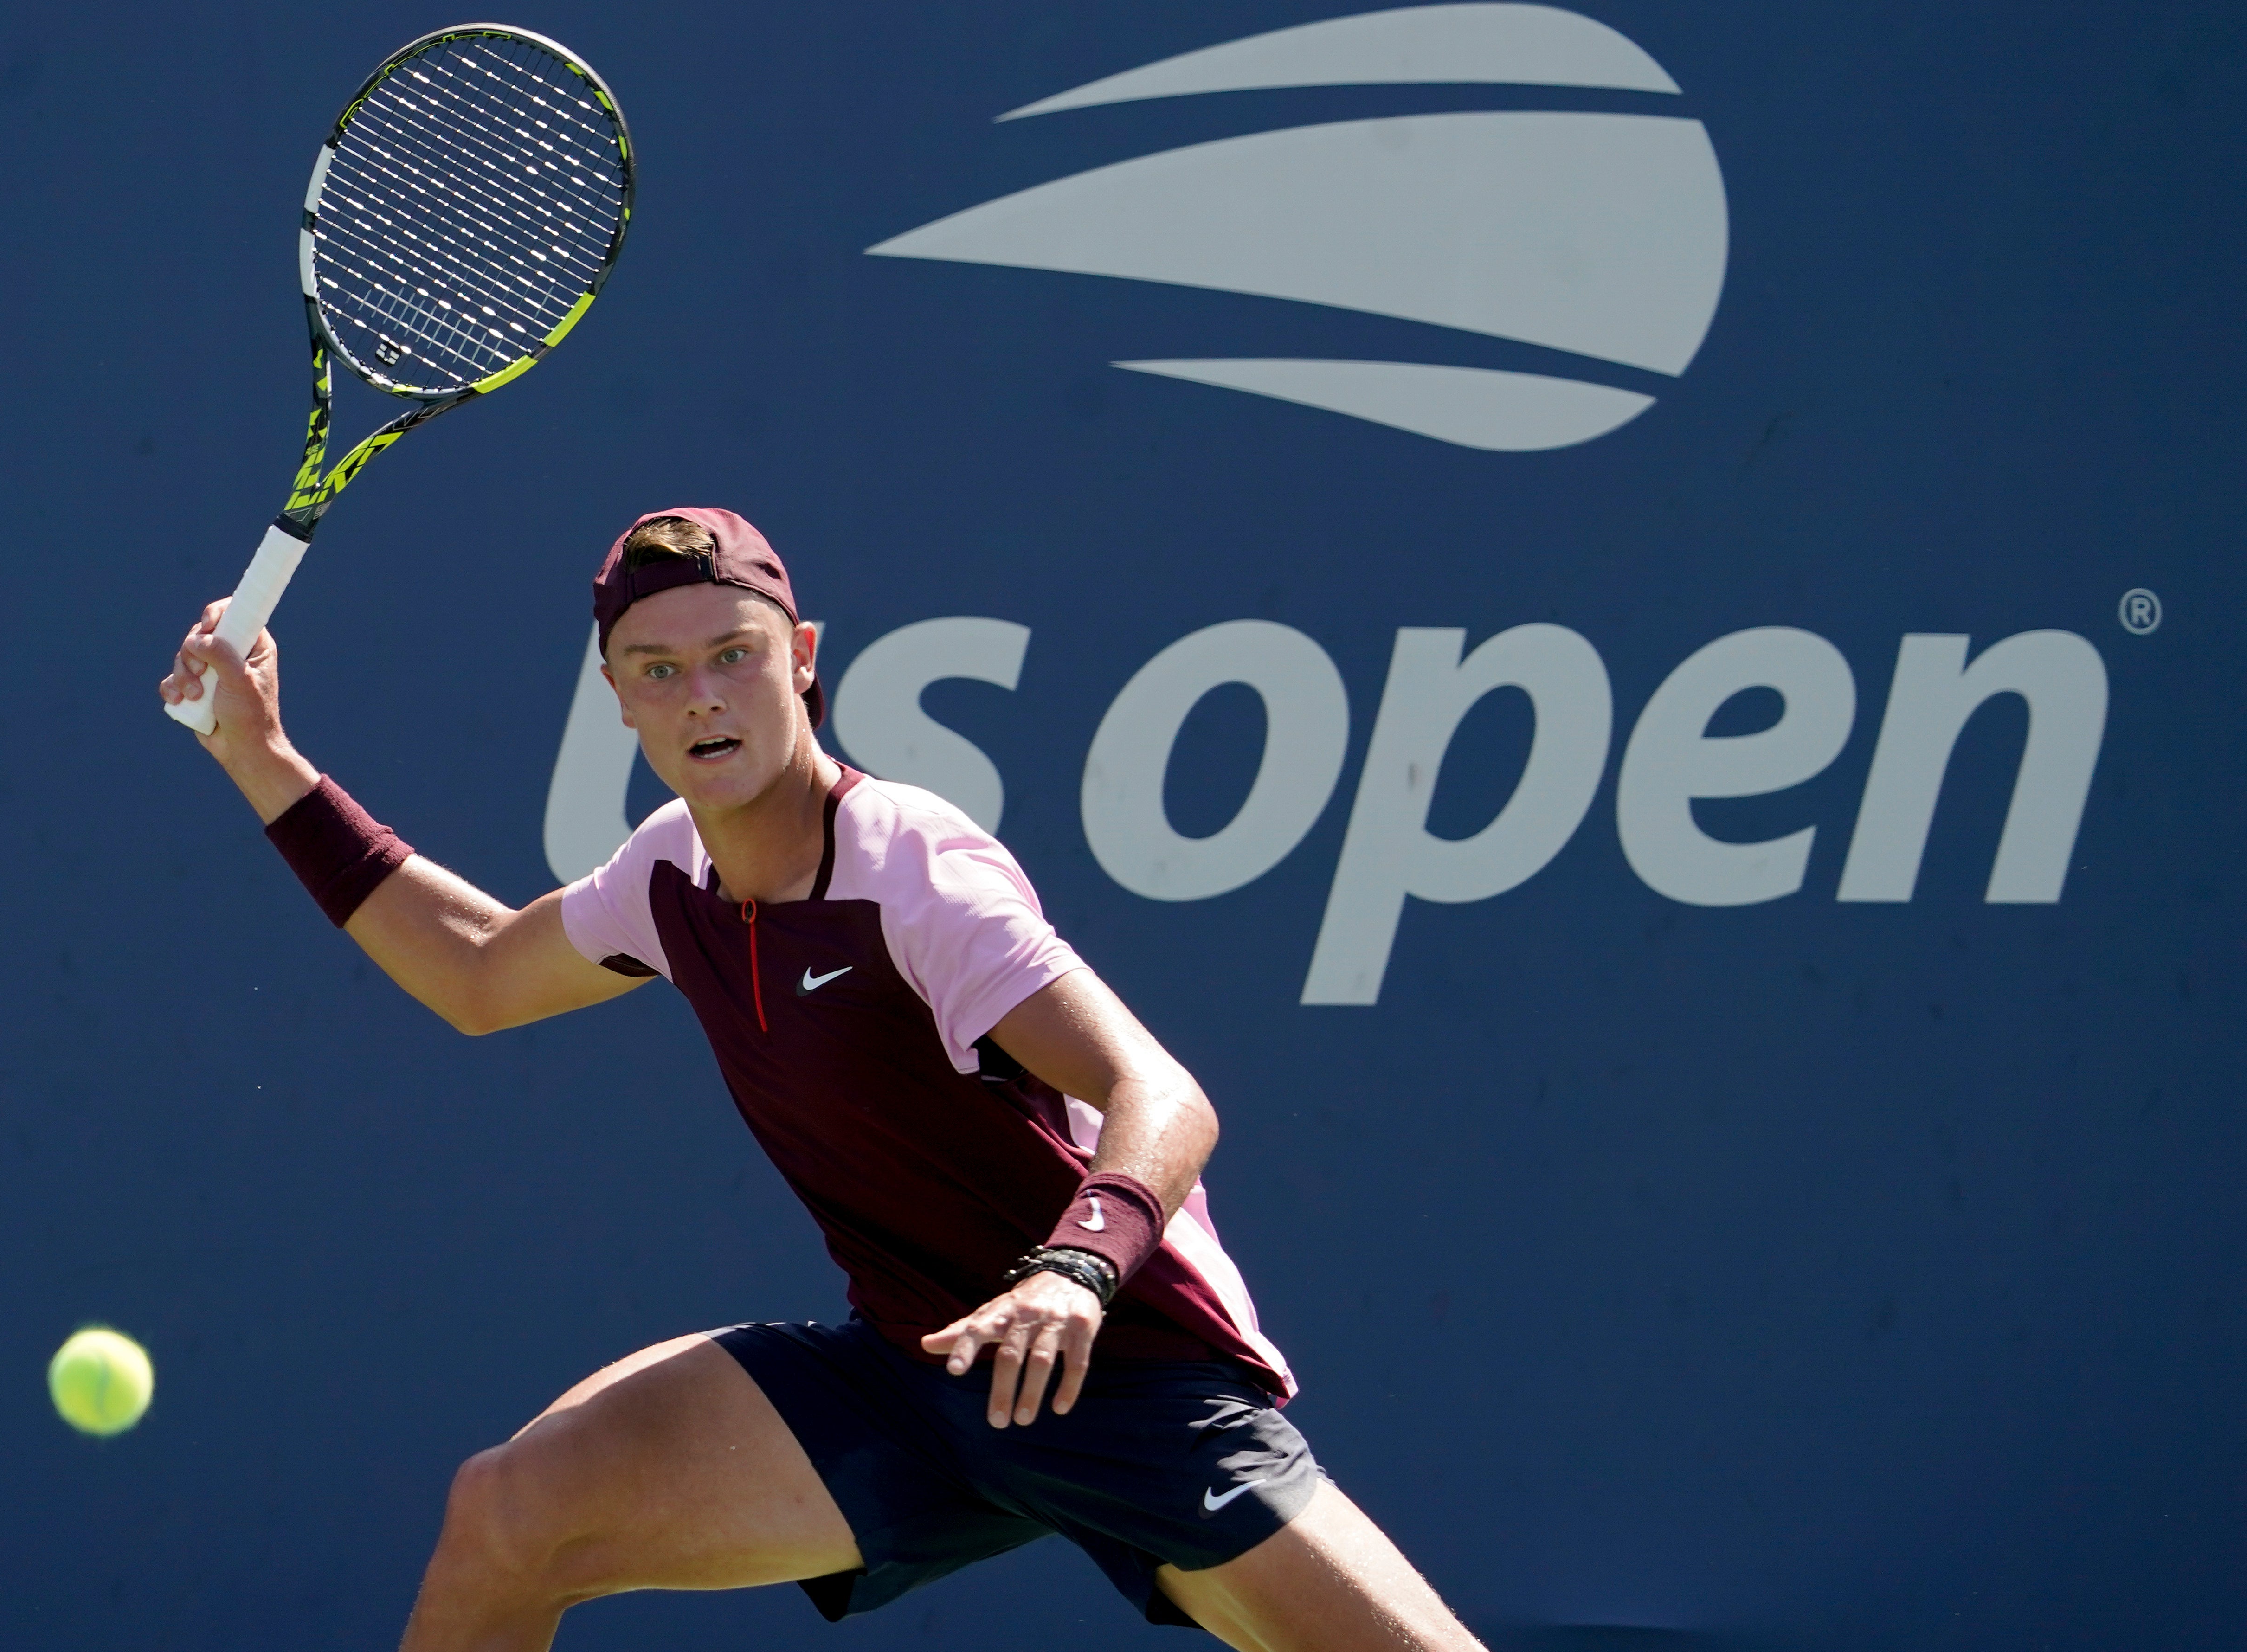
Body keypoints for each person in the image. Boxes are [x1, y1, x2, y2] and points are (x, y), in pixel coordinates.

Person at [160, 509, 1487, 1652]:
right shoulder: (669, 873)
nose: (702, 698)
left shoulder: (909, 867)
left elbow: (1163, 1093)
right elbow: (475, 969)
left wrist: (1072, 1269)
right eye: (659, 670)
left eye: (734, 657)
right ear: (617, 696)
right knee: (509, 1512)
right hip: (912, 1374)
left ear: (802, 662)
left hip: (1126, 1378)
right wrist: (260, 761)